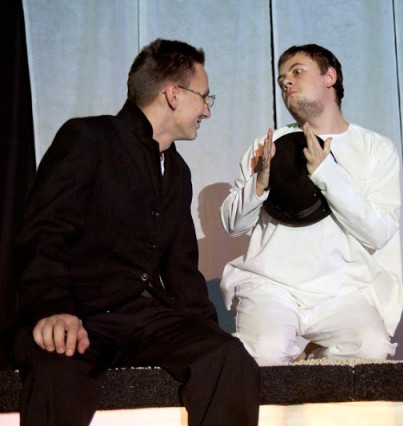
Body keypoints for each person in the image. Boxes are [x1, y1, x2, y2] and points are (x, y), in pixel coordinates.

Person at [11, 38, 260, 426]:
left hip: (143, 318)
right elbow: (44, 231)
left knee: (226, 356)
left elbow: (181, 268)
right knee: (56, 369)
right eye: (204, 97)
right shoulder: (88, 137)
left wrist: (206, 331)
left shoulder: (177, 172)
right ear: (173, 94)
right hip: (80, 312)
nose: (208, 110)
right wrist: (52, 308)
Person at [220, 44, 402, 366]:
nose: (286, 83)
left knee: (371, 350)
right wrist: (259, 184)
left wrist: (326, 173)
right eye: (281, 80)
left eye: (297, 72)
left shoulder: (375, 149)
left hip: (342, 291)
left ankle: (310, 360)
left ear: (330, 77)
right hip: (271, 285)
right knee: (266, 352)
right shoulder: (269, 145)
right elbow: (233, 225)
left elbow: (378, 233)